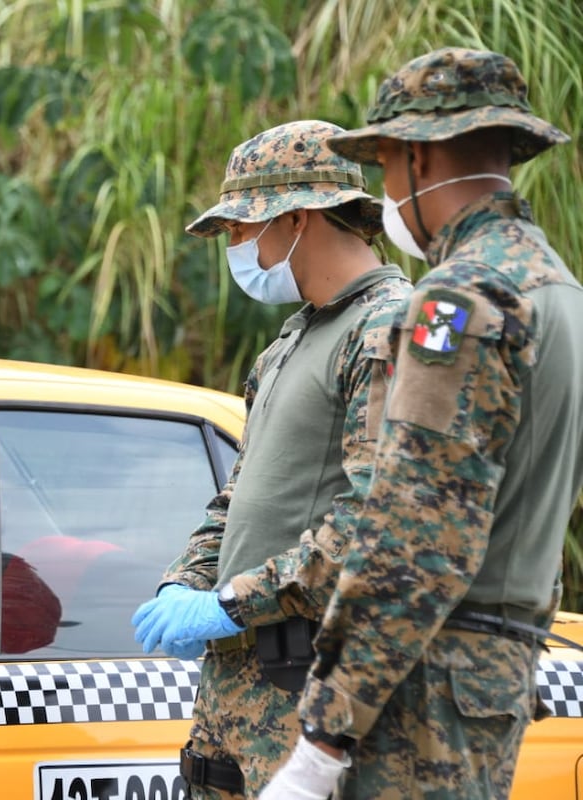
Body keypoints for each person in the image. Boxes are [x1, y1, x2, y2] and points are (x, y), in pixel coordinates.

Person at [260, 48, 583, 800]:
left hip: (426, 685)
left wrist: (322, 738)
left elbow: (416, 532)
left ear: (417, 157)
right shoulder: (557, 288)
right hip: (493, 673)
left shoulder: (461, 298)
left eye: (383, 164)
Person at [131, 119, 412, 798]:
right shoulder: (289, 341)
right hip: (236, 688)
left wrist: (232, 602)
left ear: (298, 219)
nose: (233, 247)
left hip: (312, 689)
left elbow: (373, 525)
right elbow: (237, 498)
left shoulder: (386, 328)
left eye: (239, 229)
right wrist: (187, 581)